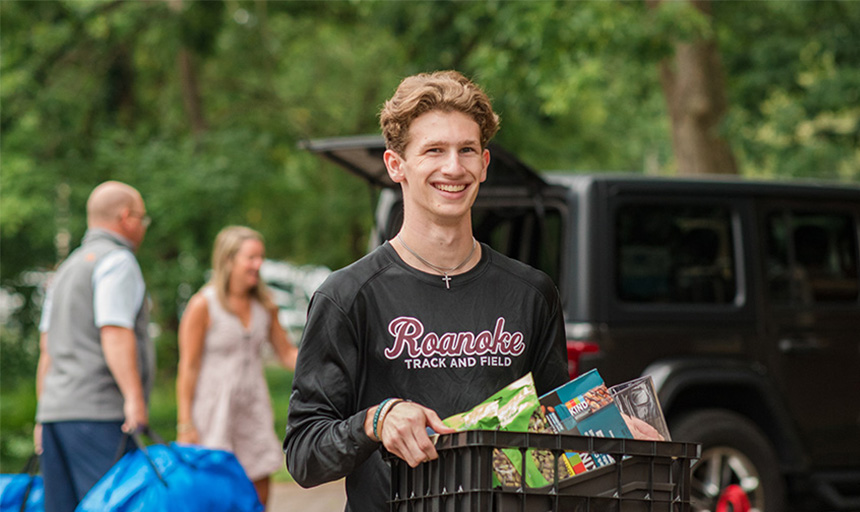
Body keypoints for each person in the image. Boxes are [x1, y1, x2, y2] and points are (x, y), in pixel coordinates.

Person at [283, 70, 569, 511]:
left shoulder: (532, 293)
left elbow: (557, 430)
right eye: (434, 150)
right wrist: (376, 421)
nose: (453, 168)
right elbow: (304, 454)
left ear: (484, 164)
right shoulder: (348, 296)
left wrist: (613, 428)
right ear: (396, 165)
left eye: (467, 150)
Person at [35, 181, 153, 512]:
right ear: (126, 217)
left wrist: (42, 415)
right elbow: (114, 331)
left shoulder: (67, 268)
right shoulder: (117, 260)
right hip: (98, 412)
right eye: (142, 218)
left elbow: (48, 347)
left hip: (56, 414)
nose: (142, 227)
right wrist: (134, 398)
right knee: (111, 504)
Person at [176, 225, 298, 509]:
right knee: (213, 489)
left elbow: (287, 353)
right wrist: (185, 424)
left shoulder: (265, 306)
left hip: (253, 407)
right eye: (251, 258)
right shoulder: (202, 305)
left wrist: (327, 365)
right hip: (213, 411)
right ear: (229, 260)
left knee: (259, 484)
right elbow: (189, 367)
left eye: (261, 257)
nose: (259, 265)